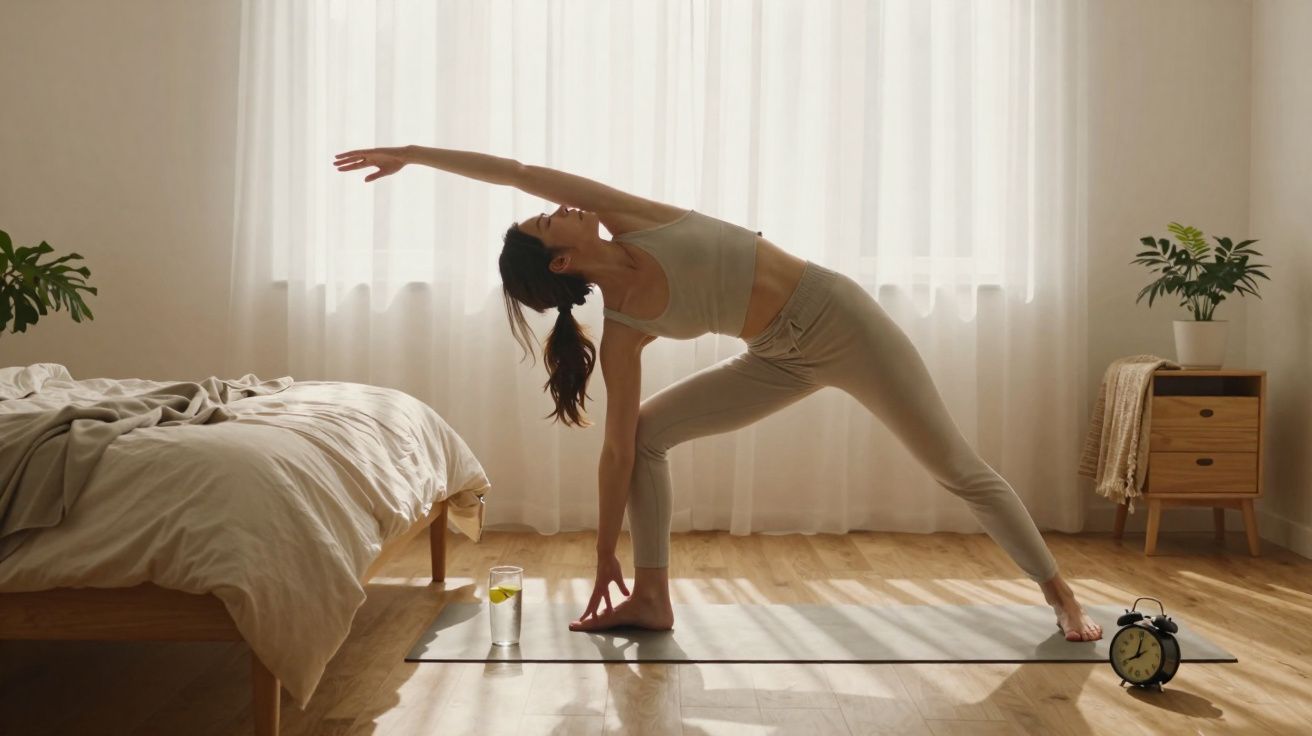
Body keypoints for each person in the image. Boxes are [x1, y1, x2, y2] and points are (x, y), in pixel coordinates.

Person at [332, 145, 1104, 642]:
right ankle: (653, 597)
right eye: (548, 223)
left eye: (548, 210)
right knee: (647, 434)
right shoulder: (624, 330)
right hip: (777, 358)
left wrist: (415, 155)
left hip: (842, 323)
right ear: (560, 263)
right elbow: (617, 450)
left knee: (956, 468)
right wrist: (602, 554)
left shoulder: (631, 219)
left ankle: (1060, 595)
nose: (558, 206)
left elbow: (518, 171)